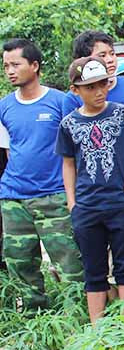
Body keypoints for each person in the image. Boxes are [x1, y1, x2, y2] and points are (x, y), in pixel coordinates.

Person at [57, 57, 124, 323]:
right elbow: (68, 163)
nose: (98, 91)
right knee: (94, 271)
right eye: (90, 87)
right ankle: (98, 330)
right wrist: (72, 202)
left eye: (103, 84)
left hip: (120, 203)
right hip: (87, 206)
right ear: (75, 90)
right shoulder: (69, 124)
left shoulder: (121, 113)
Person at [0, 39, 82, 308]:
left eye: (15, 64)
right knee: (20, 264)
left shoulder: (61, 101)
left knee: (71, 264)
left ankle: (78, 326)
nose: (9, 71)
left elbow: (77, 149)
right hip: (14, 198)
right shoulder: (4, 107)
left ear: (34, 66)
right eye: (6, 66)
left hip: (55, 196)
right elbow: (9, 150)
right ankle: (35, 322)